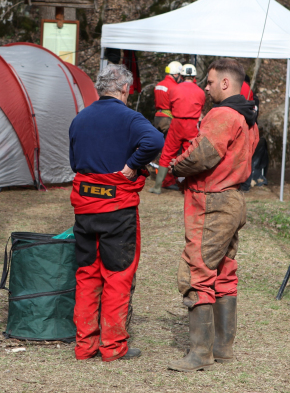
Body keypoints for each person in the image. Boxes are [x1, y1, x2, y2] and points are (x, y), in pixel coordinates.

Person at [166, 58, 259, 372]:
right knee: (224, 270)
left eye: (208, 82)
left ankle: (201, 353)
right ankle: (223, 346)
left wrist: (176, 167)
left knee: (197, 271)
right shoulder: (249, 119)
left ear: (225, 83)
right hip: (234, 200)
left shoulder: (221, 114)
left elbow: (204, 153)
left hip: (211, 201)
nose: (204, 88)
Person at [68, 63, 163, 361]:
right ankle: (112, 348)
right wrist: (133, 164)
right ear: (125, 89)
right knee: (117, 275)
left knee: (86, 275)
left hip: (84, 207)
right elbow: (155, 141)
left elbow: (74, 162)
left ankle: (84, 347)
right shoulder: (130, 118)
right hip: (117, 208)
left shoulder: (79, 119)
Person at [150, 64, 205, 194]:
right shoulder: (200, 92)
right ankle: (186, 188)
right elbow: (201, 107)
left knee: (167, 154)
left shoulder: (175, 89)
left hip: (176, 124)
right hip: (192, 126)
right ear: (194, 77)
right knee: (188, 156)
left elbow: (170, 105)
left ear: (181, 76)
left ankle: (158, 187)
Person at [153, 61, 183, 136]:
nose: (181, 78)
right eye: (180, 76)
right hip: (168, 119)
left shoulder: (158, 85)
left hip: (157, 117)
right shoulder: (175, 87)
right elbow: (177, 105)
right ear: (176, 74)